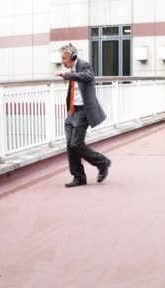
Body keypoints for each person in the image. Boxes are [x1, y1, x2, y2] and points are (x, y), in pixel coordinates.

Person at [55, 43, 111, 188]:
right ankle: (79, 177)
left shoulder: (84, 65)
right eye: (61, 58)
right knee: (70, 146)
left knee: (76, 144)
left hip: (83, 111)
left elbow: (88, 76)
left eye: (65, 58)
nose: (62, 61)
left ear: (73, 57)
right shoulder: (72, 69)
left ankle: (102, 162)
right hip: (72, 111)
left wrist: (67, 75)